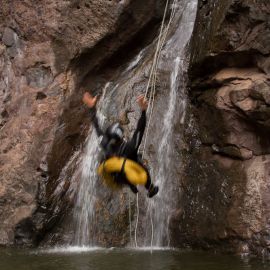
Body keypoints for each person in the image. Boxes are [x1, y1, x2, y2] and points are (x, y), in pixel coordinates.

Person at [82, 91, 159, 198]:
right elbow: (139, 131)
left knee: (119, 163)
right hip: (128, 172)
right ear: (122, 137)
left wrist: (92, 108)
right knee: (139, 161)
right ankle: (150, 188)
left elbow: (97, 127)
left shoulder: (104, 143)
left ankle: (131, 185)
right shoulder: (130, 147)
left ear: (108, 136)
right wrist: (143, 112)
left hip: (117, 178)